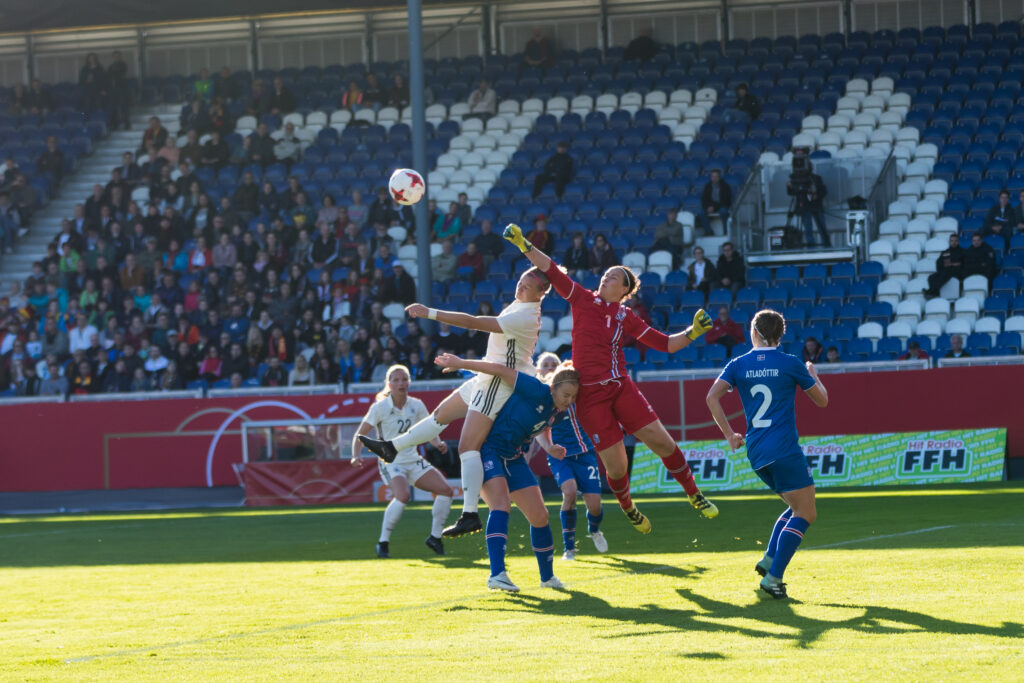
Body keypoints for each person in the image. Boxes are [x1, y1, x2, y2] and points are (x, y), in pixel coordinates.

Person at [504, 222, 718, 531]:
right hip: (590, 398)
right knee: (617, 467)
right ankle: (629, 508)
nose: (607, 276)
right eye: (606, 273)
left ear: (625, 290)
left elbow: (667, 344)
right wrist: (524, 244)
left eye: (614, 276)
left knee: (663, 443)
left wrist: (693, 332)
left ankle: (695, 494)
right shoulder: (581, 298)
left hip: (621, 388)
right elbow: (550, 269)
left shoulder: (627, 316)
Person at [358, 267, 549, 538]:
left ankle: (469, 514)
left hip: (498, 382)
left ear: (540, 293)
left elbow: (472, 322)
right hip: (488, 377)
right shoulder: (521, 306)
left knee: (467, 447)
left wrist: (430, 313)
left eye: (526, 286)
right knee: (439, 415)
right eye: (520, 281)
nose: (519, 287)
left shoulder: (524, 315)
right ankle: (391, 447)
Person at [705, 309, 828, 599]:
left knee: (795, 507)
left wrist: (729, 435)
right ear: (779, 335)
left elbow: (711, 397)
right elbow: (822, 401)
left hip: (756, 450)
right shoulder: (790, 363)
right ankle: (773, 578)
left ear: (755, 332)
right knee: (806, 512)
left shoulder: (739, 363)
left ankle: (769, 560)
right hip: (784, 448)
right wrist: (813, 375)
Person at [432, 351, 580, 591]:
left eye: (573, 397)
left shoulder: (557, 410)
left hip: (513, 456)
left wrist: (549, 447)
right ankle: (497, 575)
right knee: (500, 505)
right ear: (552, 386)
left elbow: (541, 428)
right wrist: (461, 363)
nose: (568, 401)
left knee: (540, 516)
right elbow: (500, 369)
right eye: (566, 395)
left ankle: (547, 578)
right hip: (487, 449)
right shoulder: (535, 388)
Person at [351, 364, 455, 558]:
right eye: (396, 380)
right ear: (388, 384)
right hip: (391, 461)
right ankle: (383, 543)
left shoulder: (417, 405)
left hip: (413, 459)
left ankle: (435, 538)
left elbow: (430, 428)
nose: (401, 383)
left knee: (446, 491)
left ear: (409, 382)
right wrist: (355, 455)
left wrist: (437, 443)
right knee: (403, 495)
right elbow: (360, 434)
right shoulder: (380, 408)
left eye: (404, 379)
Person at [534, 352, 607, 560]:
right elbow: (539, 429)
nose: (550, 367)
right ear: (539, 371)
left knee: (594, 506)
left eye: (553, 364)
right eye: (545, 365)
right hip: (560, 455)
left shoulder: (576, 389)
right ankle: (569, 548)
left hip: (585, 452)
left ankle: (594, 530)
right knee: (570, 492)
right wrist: (548, 447)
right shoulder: (541, 399)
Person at [787, 165, 829, 247]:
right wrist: (789, 187)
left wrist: (817, 195)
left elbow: (824, 191)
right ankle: (811, 245)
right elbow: (792, 193)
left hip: (816, 206)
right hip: (804, 207)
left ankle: (826, 244)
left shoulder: (816, 178)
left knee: (821, 227)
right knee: (807, 228)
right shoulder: (796, 179)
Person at [925, 233, 965, 298]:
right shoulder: (945, 252)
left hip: (958, 273)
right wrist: (945, 265)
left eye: (955, 241)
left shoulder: (963, 252)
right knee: (931, 277)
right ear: (949, 242)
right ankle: (935, 292)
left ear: (958, 242)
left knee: (947, 272)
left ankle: (932, 291)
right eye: (952, 241)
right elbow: (939, 263)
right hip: (945, 272)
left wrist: (952, 265)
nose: (953, 242)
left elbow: (963, 264)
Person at [698, 169, 732, 236]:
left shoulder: (725, 186)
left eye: (716, 176)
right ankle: (709, 232)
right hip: (710, 206)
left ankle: (726, 232)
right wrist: (708, 207)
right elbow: (704, 199)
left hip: (721, 206)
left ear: (719, 177)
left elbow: (726, 201)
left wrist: (713, 207)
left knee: (724, 212)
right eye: (713, 176)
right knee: (701, 213)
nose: (714, 178)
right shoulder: (707, 186)